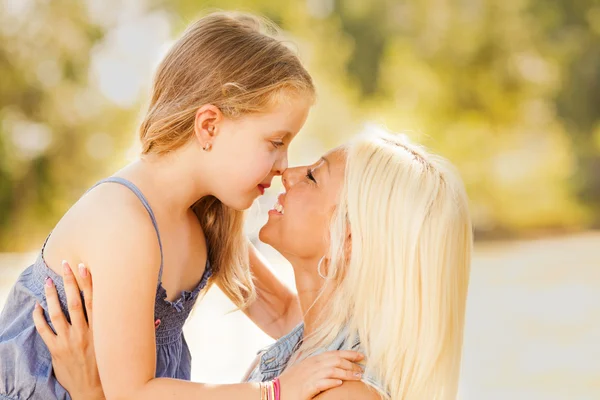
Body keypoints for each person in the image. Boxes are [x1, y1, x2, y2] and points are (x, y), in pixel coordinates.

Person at [0, 12, 364, 400]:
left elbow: (285, 314)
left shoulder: (209, 218)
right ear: (208, 126)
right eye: (275, 142)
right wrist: (273, 391)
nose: (283, 167)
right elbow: (133, 392)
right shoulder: (126, 221)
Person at [38, 130, 473, 400]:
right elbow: (271, 301)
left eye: (315, 176)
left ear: (349, 237)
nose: (290, 172)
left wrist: (90, 392)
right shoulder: (309, 346)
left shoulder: (344, 390)